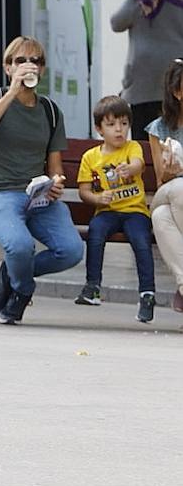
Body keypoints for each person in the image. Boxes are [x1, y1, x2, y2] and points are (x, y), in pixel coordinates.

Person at [0, 36, 82, 326]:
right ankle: (22, 291)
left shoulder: (50, 111)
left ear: (42, 70)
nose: (28, 66)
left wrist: (56, 182)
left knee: (70, 251)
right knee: (20, 246)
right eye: (21, 61)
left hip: (37, 197)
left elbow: (56, 167)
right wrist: (11, 94)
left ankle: (10, 273)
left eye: (35, 61)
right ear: (8, 67)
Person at [74, 96, 155, 321]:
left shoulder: (132, 147)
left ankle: (147, 293)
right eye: (111, 125)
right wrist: (98, 199)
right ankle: (92, 287)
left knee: (141, 241)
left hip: (135, 211)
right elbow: (84, 191)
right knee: (96, 232)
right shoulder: (90, 157)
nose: (119, 130)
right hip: (106, 212)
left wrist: (130, 169)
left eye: (124, 124)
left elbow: (138, 164)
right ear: (99, 129)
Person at [109, 0, 183, 139]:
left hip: (141, 79)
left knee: (143, 140)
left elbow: (116, 23)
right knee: (174, 138)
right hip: (175, 79)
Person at [146, 59, 183, 314]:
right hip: (167, 191)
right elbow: (161, 180)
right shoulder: (159, 129)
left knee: (161, 218)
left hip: (170, 207)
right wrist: (172, 173)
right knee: (180, 188)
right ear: (176, 92)